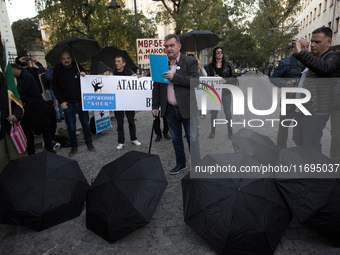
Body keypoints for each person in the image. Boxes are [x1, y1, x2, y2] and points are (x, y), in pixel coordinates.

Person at [152, 34, 201, 175]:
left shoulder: (190, 62)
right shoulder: (161, 63)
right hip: (170, 110)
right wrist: (155, 106)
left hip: (188, 108)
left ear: (179, 46)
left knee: (193, 139)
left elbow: (195, 82)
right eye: (166, 46)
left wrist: (175, 77)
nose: (169, 48)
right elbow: (157, 86)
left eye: (171, 45)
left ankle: (198, 167)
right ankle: (181, 164)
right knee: (176, 139)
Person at [291, 27, 340, 153]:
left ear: (328, 42)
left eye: (317, 42)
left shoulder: (333, 57)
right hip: (304, 108)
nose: (313, 45)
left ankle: (314, 170)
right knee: (298, 139)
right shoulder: (314, 58)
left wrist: (301, 54)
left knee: (311, 144)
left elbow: (324, 68)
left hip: (318, 110)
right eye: (312, 41)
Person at [52, 51, 95, 157]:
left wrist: (84, 74)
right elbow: (55, 88)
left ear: (71, 58)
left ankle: (89, 143)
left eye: (68, 58)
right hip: (68, 103)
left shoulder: (77, 66)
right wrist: (61, 101)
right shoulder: (57, 70)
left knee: (85, 124)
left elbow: (87, 80)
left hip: (81, 101)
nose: (66, 60)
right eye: (63, 58)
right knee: (71, 126)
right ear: (60, 60)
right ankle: (74, 147)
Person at [270, 38, 309, 149]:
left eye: (307, 46)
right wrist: (285, 83)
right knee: (284, 127)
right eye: (302, 47)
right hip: (289, 100)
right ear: (294, 48)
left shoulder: (312, 62)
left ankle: (303, 150)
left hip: (306, 102)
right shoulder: (285, 63)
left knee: (304, 128)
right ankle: (281, 150)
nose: (305, 49)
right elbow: (273, 78)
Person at [12, 64, 55, 155]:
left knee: (44, 128)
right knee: (29, 131)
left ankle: (49, 150)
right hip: (30, 107)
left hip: (36, 107)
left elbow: (21, 90)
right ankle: (31, 151)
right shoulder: (21, 76)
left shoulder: (26, 76)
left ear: (15, 69)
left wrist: (11, 93)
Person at [205, 47, 238, 139]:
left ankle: (230, 131)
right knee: (214, 113)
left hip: (226, 91)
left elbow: (235, 78)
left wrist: (225, 80)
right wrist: (212, 77)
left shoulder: (228, 64)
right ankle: (213, 131)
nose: (220, 53)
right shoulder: (209, 66)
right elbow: (204, 77)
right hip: (214, 92)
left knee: (227, 112)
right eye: (217, 52)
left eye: (221, 52)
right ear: (214, 54)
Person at [111, 55, 141, 149]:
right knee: (119, 123)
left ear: (124, 63)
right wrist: (105, 76)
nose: (116, 63)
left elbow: (136, 81)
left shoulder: (130, 73)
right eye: (115, 61)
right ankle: (121, 141)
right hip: (118, 102)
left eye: (119, 61)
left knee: (131, 121)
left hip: (129, 101)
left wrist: (139, 78)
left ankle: (133, 139)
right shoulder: (111, 74)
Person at [0, 72, 23, 172]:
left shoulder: (7, 89)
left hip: (9, 129)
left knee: (14, 157)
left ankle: (17, 177)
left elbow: (18, 105)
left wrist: (15, 115)